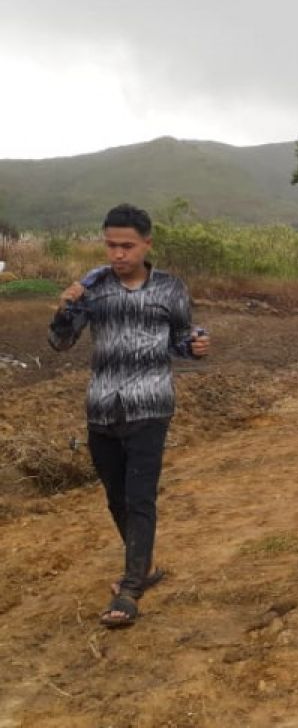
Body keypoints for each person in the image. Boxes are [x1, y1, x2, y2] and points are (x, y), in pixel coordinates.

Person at [48, 203, 211, 629]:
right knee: (115, 496)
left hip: (150, 406)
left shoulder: (171, 289)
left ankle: (131, 587)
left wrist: (194, 346)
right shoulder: (93, 288)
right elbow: (61, 343)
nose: (118, 254)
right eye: (110, 246)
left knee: (139, 496)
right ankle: (141, 563)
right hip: (102, 407)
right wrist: (64, 308)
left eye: (127, 246)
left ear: (146, 244)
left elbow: (179, 340)